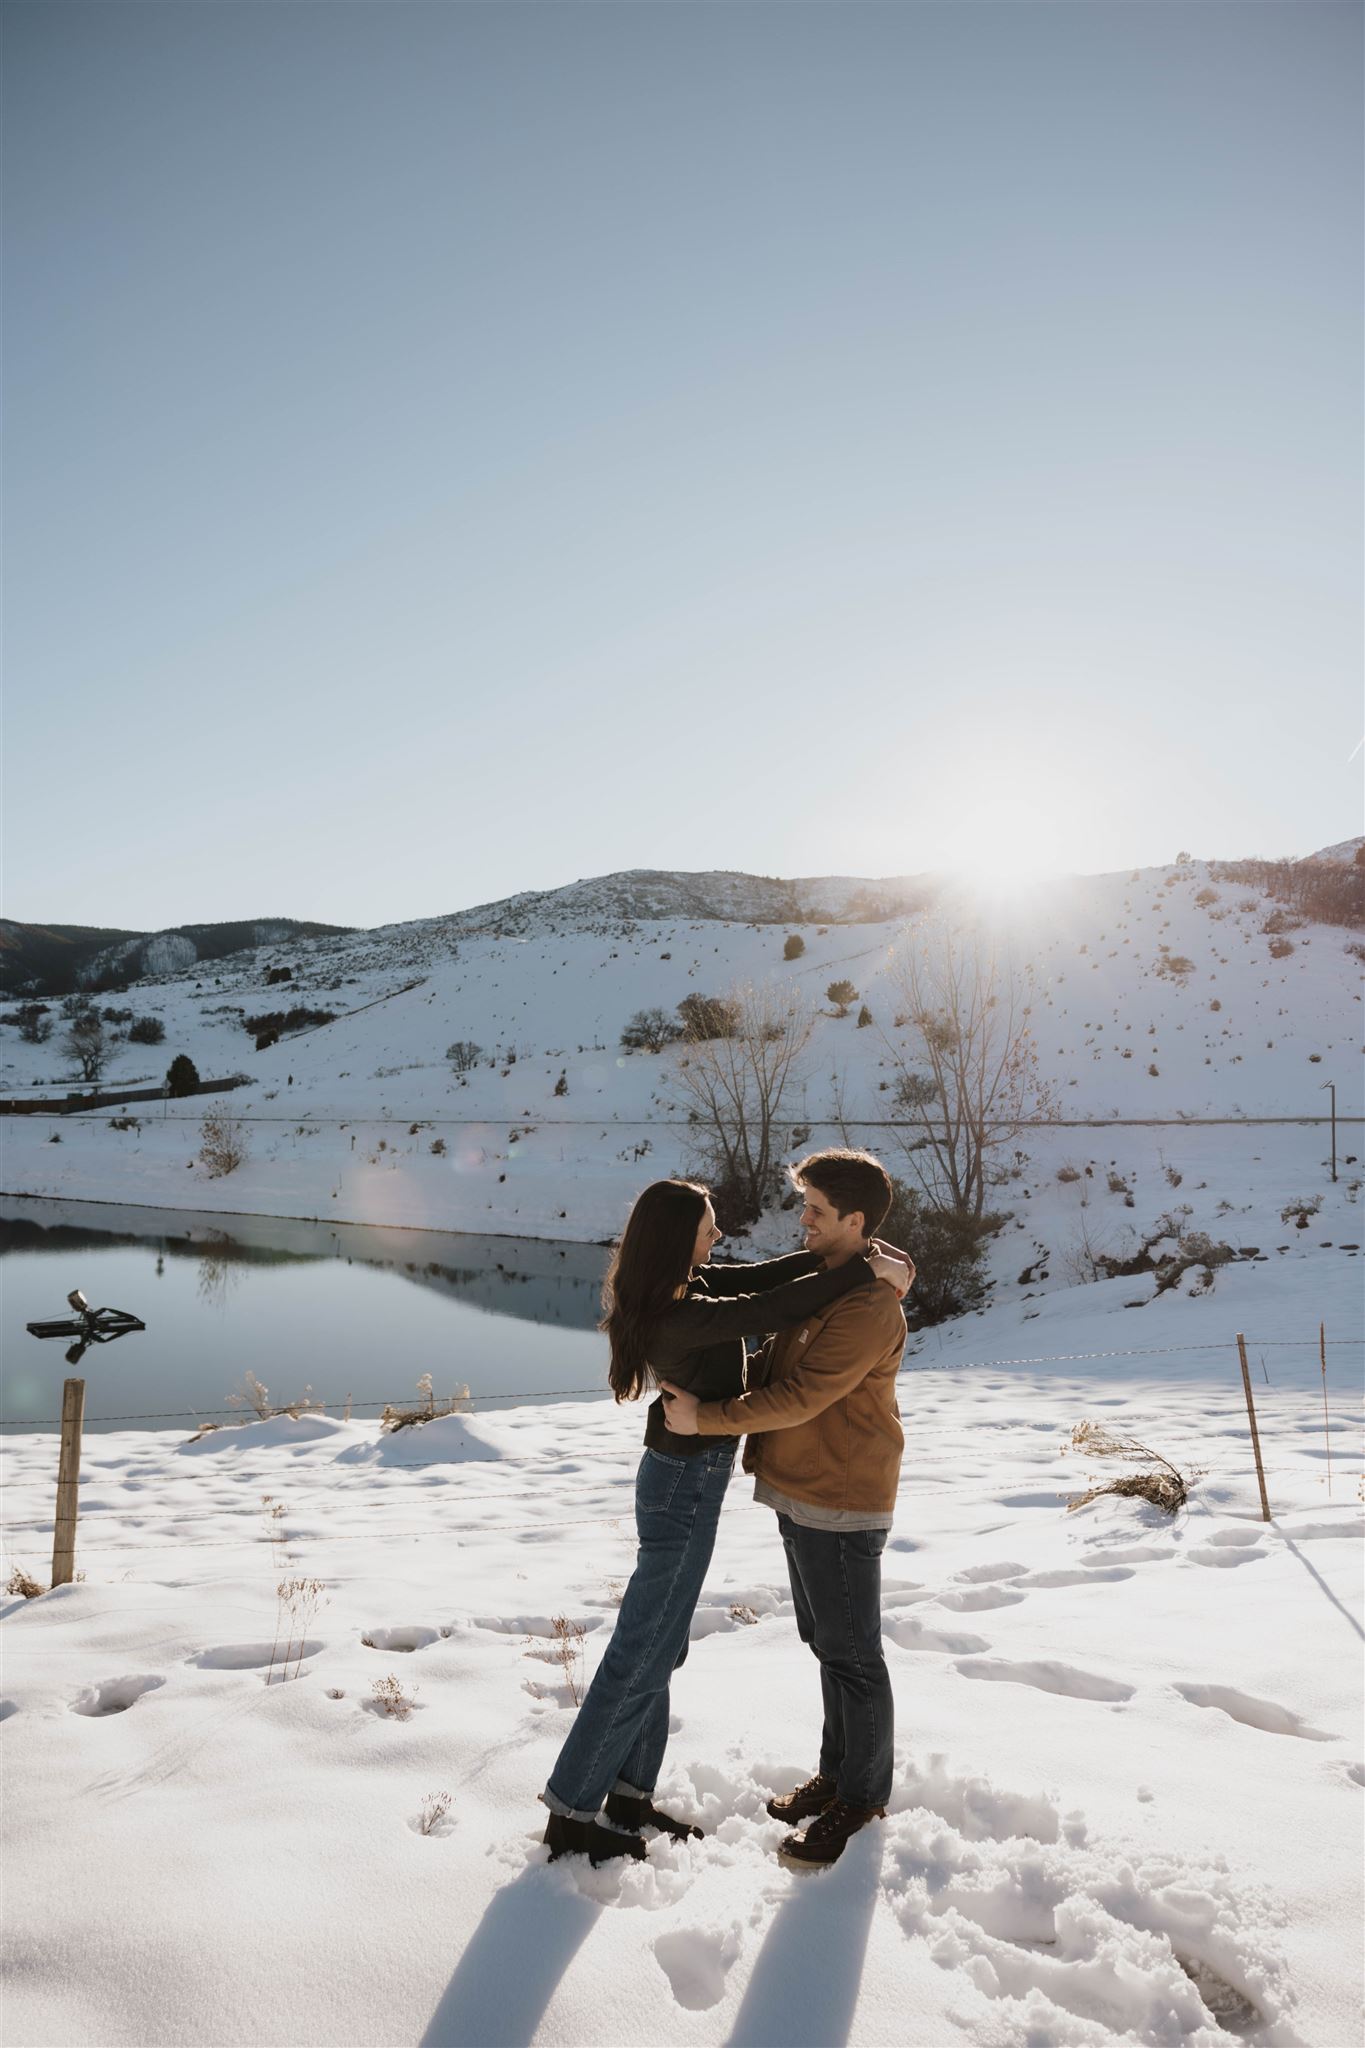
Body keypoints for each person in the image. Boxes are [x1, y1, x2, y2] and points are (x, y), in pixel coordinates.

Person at [539, 1177, 910, 1866]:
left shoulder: (685, 1286)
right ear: (680, 1238)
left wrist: (870, 1260)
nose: (718, 1238)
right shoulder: (682, 1311)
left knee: (662, 1645)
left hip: (688, 1479)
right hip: (681, 1484)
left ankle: (627, 1793)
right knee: (642, 1649)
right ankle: (571, 1810)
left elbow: (770, 1277)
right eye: (709, 1227)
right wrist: (857, 1264)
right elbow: (776, 1303)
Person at [660, 1148, 908, 1866]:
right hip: (800, 1489)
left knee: (853, 1653)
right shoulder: (830, 1280)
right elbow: (762, 1324)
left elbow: (802, 1396)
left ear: (854, 1221)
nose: (801, 1221)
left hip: (839, 1495)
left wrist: (702, 1419)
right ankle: (837, 1776)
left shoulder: (863, 1305)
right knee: (826, 1643)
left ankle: (859, 1800)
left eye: (816, 1211)